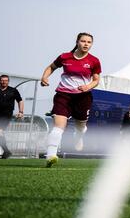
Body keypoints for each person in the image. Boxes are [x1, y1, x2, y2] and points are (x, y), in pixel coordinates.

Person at [40, 33, 101, 167]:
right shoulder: (65, 57)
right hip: (63, 95)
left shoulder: (94, 61)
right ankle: (51, 155)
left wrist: (87, 86)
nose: (86, 44)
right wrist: (44, 77)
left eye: (89, 42)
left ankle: (78, 136)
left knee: (81, 126)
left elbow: (96, 80)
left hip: (83, 97)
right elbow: (51, 67)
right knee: (59, 127)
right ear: (77, 42)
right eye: (83, 41)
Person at [0, 74, 24, 159]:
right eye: (2, 80)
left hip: (6, 115)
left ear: (8, 81)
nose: (4, 82)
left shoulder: (13, 90)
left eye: (6, 80)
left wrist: (21, 112)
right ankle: (6, 152)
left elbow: (20, 101)